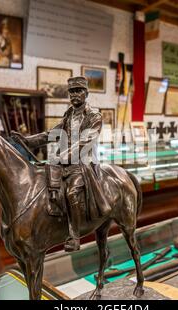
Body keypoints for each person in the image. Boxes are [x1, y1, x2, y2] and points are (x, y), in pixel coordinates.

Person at [12, 77, 111, 251]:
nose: (74, 95)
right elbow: (51, 134)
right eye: (72, 91)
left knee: (72, 192)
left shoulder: (94, 117)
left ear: (86, 94)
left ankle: (74, 235)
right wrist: (27, 141)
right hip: (66, 162)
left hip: (85, 164)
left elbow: (85, 141)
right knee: (45, 184)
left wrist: (63, 156)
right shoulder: (68, 116)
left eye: (78, 91)